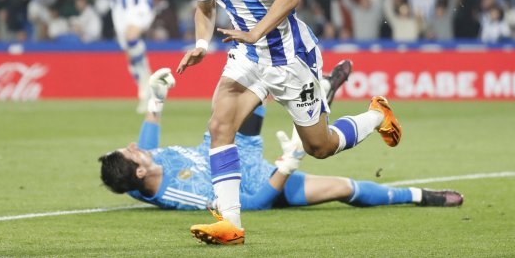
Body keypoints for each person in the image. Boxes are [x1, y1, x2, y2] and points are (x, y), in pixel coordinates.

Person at [175, 0, 402, 244]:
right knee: (220, 124)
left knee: (320, 146)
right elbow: (205, 7)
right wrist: (200, 43)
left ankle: (376, 116)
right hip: (248, 56)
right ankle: (231, 223)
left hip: (287, 56)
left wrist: (255, 33)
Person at [99, 68, 463, 245]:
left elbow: (143, 147)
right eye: (130, 153)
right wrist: (288, 164)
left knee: (253, 79)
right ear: (140, 171)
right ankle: (420, 195)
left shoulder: (139, 175)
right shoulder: (184, 194)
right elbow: (254, 203)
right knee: (344, 188)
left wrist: (156, 100)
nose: (134, 146)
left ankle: (316, 97)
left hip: (229, 142)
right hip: (260, 182)